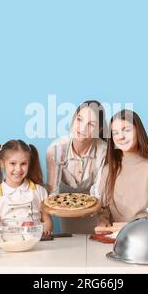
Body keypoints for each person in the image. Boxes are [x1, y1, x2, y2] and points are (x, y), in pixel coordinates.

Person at [97, 109, 148, 228]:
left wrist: (138, 225)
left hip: (146, 234)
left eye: (127, 130)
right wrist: (104, 221)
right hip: (117, 237)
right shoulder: (108, 170)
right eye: (115, 133)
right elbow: (105, 208)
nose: (121, 137)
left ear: (138, 131)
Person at [46, 100, 108, 234]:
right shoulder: (56, 149)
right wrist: (48, 218)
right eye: (79, 120)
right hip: (64, 200)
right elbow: (53, 190)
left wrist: (91, 208)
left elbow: (98, 190)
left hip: (95, 204)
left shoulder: (104, 151)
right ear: (73, 119)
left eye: (91, 124)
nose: (83, 128)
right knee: (72, 243)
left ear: (100, 129)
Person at [0, 140, 52, 235]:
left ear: (29, 164)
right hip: (9, 244)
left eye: (23, 164)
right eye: (13, 163)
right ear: (1, 163)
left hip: (36, 242)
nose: (18, 169)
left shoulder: (39, 191)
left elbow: (47, 220)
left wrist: (45, 230)